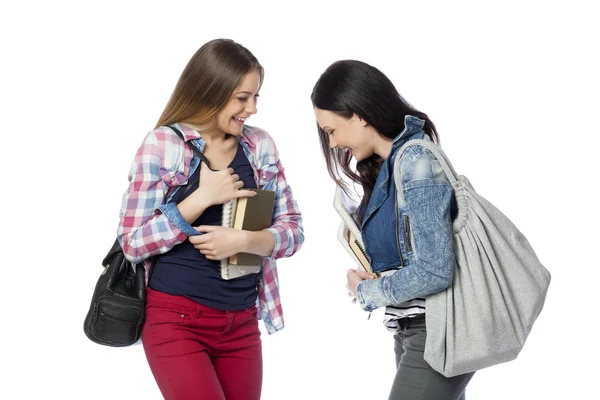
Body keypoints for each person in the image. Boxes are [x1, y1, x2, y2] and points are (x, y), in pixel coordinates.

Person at [117, 39, 304, 400]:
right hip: (176, 319)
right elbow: (132, 243)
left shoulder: (260, 146)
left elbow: (293, 229)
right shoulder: (162, 145)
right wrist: (200, 199)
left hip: (242, 321)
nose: (251, 109)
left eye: (255, 98)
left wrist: (245, 241)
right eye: (242, 98)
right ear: (211, 91)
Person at [311, 60, 474, 399]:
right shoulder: (389, 169)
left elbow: (435, 270)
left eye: (331, 130)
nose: (335, 143)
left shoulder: (415, 160)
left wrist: (367, 293)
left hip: (439, 328)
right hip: (411, 327)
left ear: (358, 114)